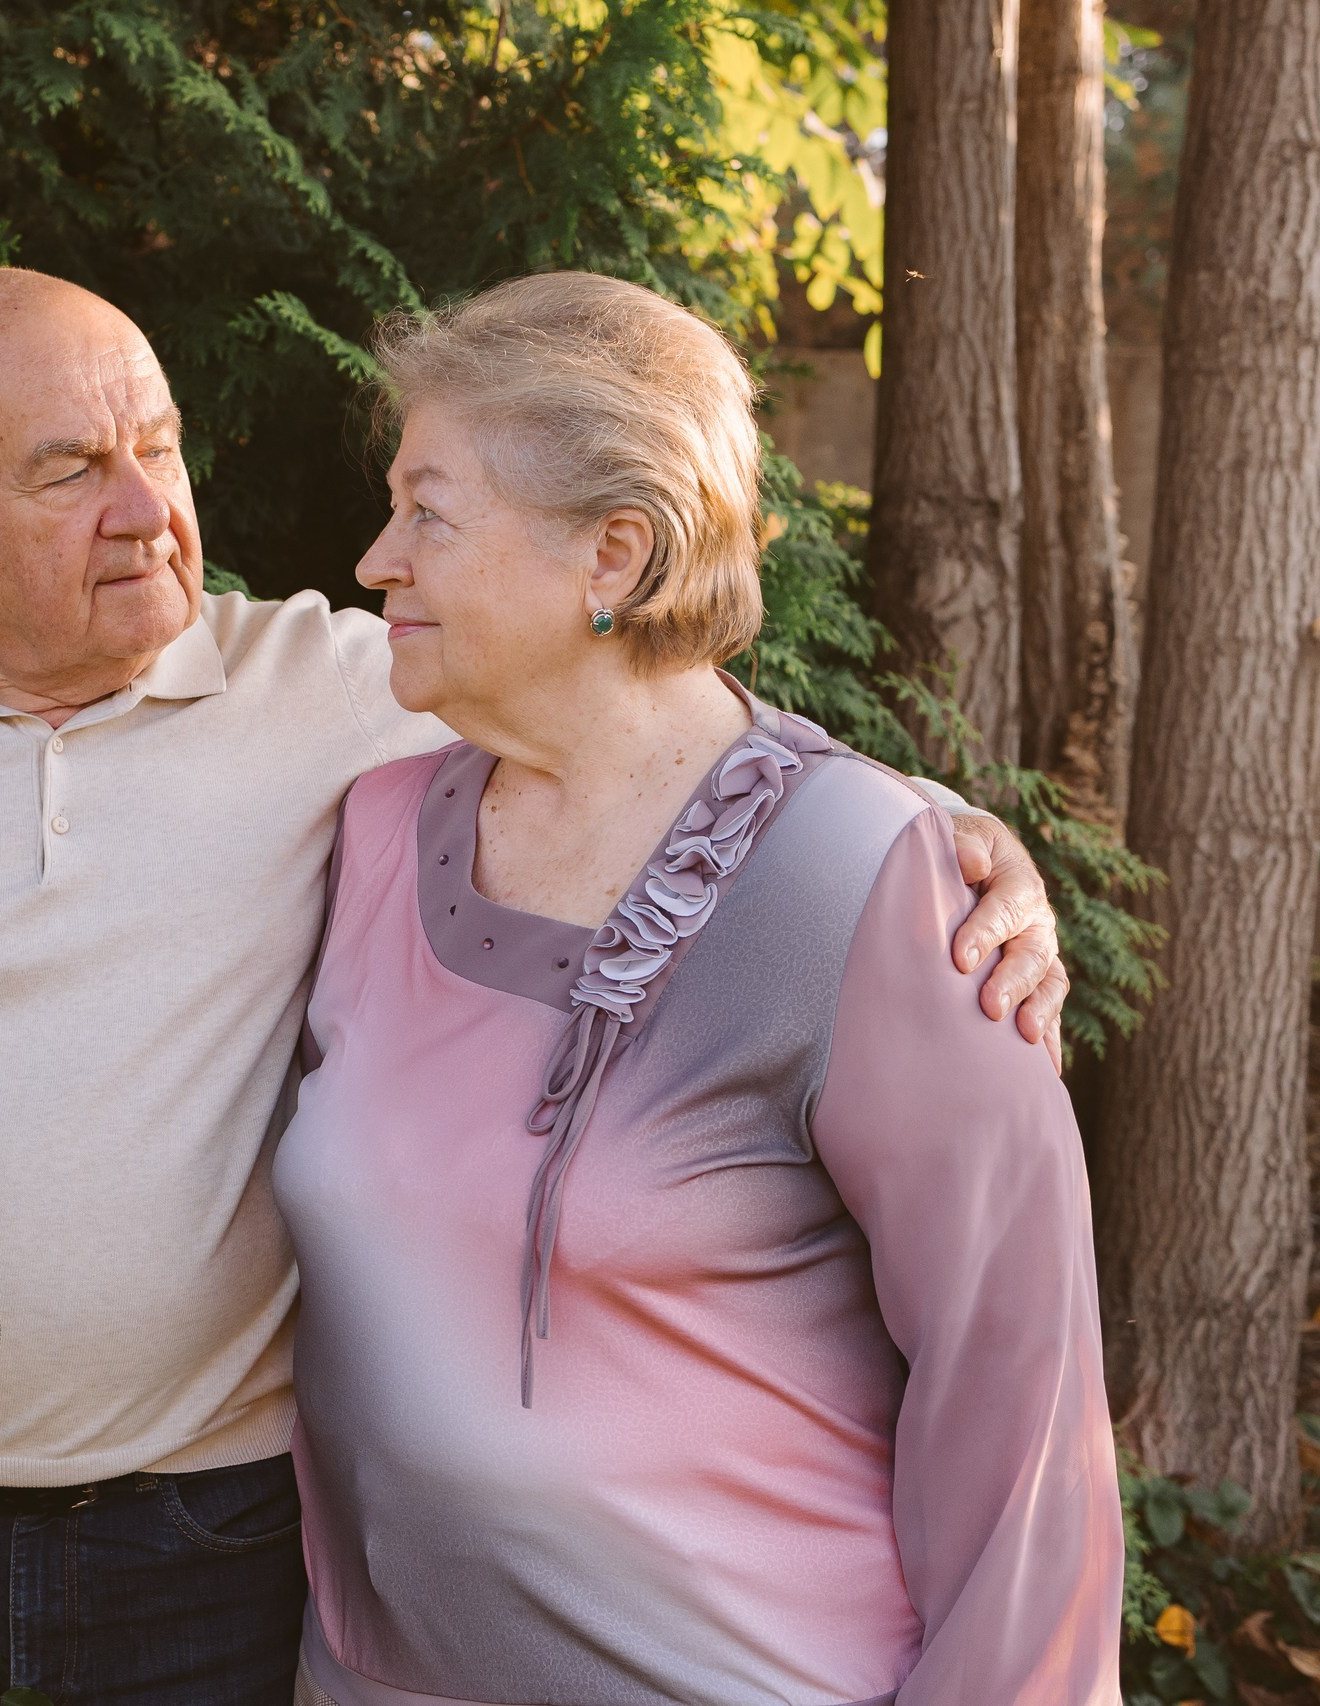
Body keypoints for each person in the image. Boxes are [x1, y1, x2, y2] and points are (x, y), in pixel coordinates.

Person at [0, 267, 1071, 1706]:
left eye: (156, 444)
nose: (148, 508)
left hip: (219, 1539)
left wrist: (939, 831)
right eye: (68, 472)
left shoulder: (336, 692)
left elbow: (660, 721)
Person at [276, 272, 1119, 1706]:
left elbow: (1023, 1431)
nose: (374, 559)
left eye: (429, 510)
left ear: (612, 552)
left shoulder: (875, 889)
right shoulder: (365, 831)